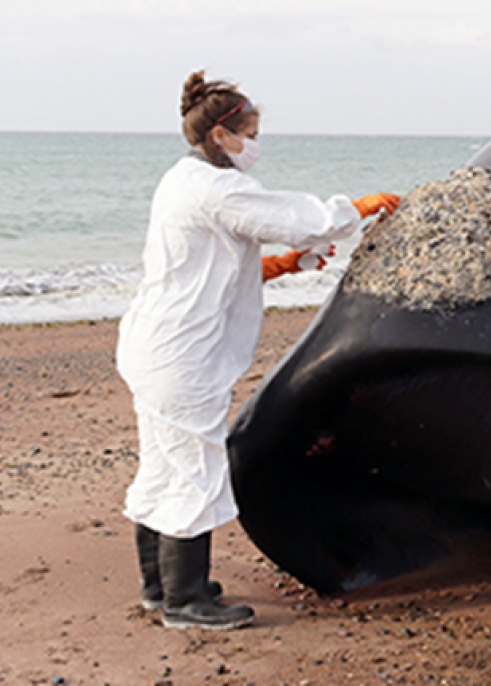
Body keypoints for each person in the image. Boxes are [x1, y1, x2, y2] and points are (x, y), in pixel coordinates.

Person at [117, 72, 401, 629]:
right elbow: (294, 219)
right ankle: (186, 601)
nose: (255, 141)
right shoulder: (218, 189)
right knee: (195, 468)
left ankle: (161, 585)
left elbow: (205, 264)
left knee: (162, 465)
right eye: (249, 131)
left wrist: (279, 267)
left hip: (154, 344)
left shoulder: (182, 180)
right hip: (182, 357)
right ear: (221, 135)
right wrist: (356, 209)